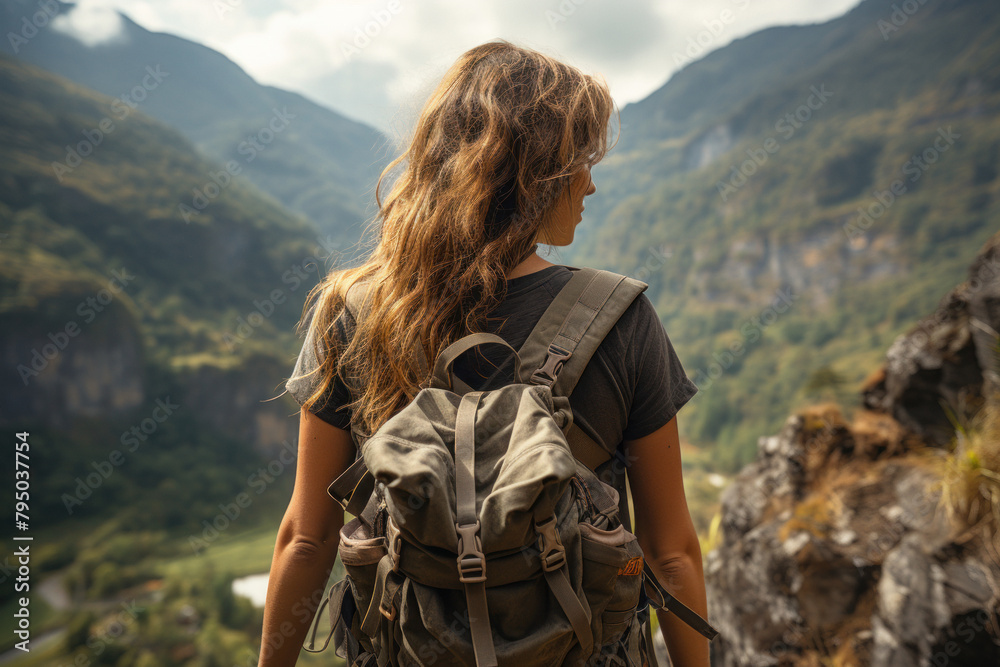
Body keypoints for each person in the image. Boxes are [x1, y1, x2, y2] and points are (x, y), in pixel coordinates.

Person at [260, 40, 710, 667]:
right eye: (580, 160)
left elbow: (307, 540)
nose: (592, 183)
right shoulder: (620, 319)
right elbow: (671, 555)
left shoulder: (351, 312)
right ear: (535, 174)